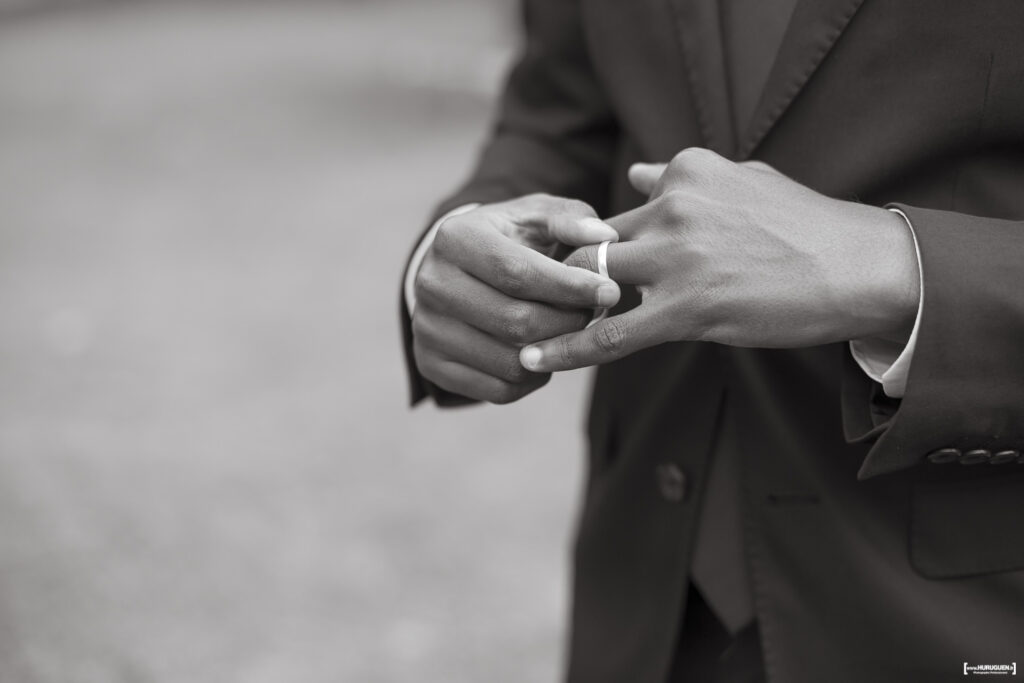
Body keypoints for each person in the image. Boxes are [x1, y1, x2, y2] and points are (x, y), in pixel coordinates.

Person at [399, 1, 1024, 681]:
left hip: (971, 609)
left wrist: (898, 269)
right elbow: (560, 116)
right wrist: (458, 247)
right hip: (647, 604)